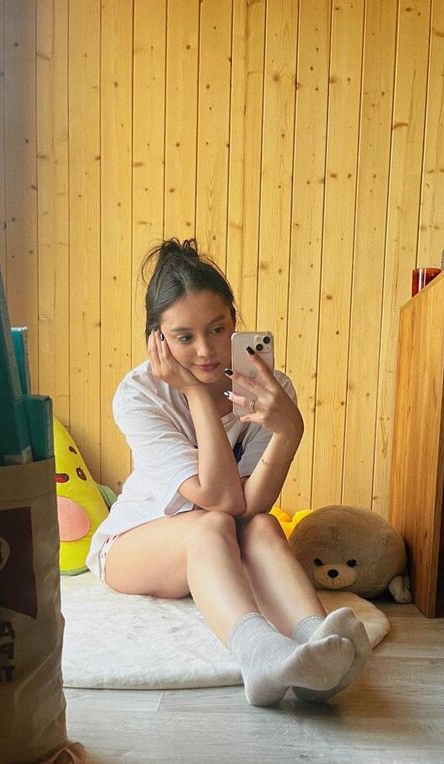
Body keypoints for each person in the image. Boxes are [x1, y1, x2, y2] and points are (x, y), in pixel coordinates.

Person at [86, 238, 370, 706]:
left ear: (235, 322)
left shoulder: (269, 390)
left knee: (263, 525)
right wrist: (197, 395)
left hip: (224, 532)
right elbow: (217, 498)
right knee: (214, 521)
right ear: (158, 340)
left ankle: (320, 648)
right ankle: (259, 654)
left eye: (217, 329)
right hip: (135, 542)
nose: (206, 350)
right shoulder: (140, 394)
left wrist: (290, 431)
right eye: (184, 337)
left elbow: (250, 505)